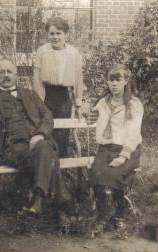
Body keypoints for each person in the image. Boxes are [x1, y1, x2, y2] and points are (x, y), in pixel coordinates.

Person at [0, 59, 71, 215]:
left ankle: (39, 200)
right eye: (1, 72)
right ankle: (61, 200)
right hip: (12, 149)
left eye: (9, 71)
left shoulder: (30, 95)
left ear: (16, 75)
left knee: (43, 147)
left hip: (37, 143)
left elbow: (47, 115)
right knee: (47, 151)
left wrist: (39, 134)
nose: (5, 75)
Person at [90, 64, 144, 238]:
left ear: (126, 81)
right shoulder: (103, 102)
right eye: (110, 80)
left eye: (117, 80)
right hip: (106, 148)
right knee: (97, 173)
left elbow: (134, 133)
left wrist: (123, 156)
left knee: (113, 175)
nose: (113, 84)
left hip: (128, 149)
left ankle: (119, 214)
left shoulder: (134, 105)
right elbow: (94, 117)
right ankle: (102, 216)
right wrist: (90, 115)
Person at [33, 16, 84, 157]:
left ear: (65, 34)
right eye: (51, 33)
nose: (55, 37)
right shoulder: (42, 51)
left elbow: (78, 79)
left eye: (58, 33)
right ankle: (46, 165)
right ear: (47, 35)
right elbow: (37, 79)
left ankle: (60, 166)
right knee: (46, 130)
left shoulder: (73, 53)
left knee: (62, 133)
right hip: (46, 96)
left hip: (64, 98)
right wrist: (38, 102)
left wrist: (78, 105)